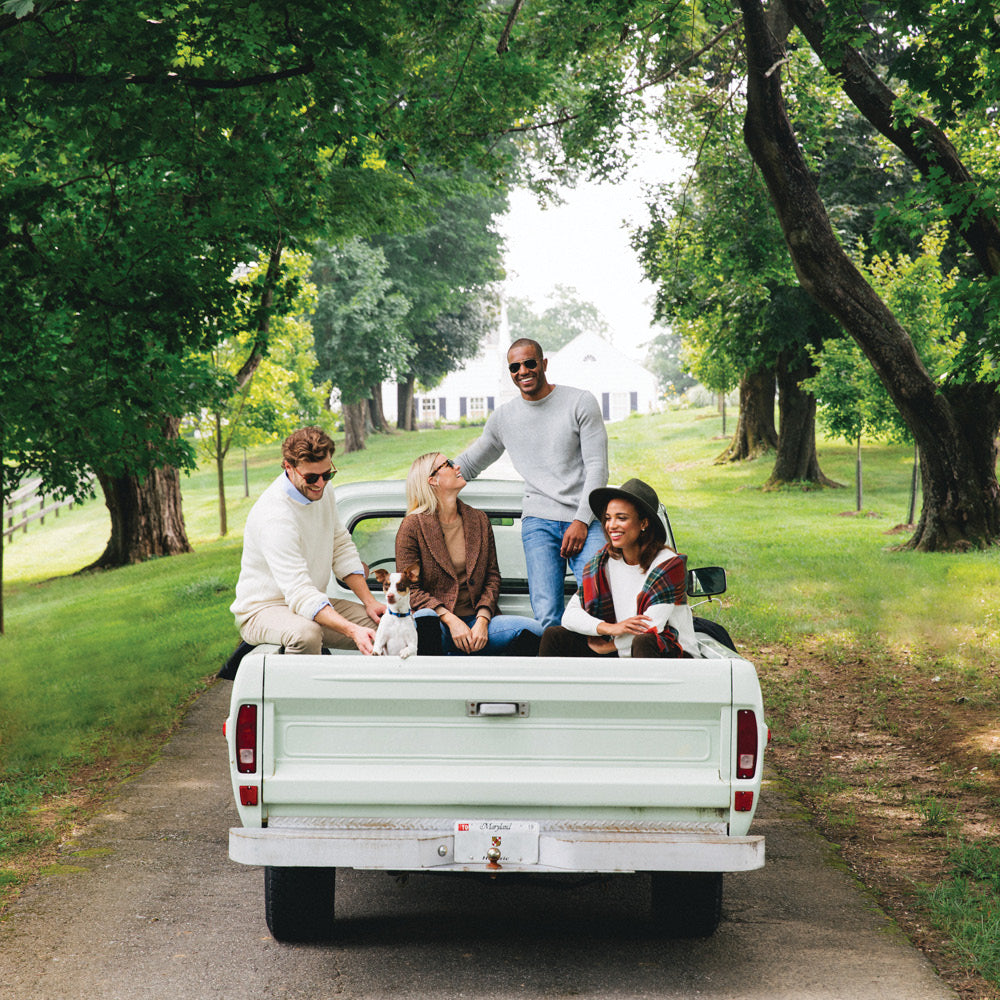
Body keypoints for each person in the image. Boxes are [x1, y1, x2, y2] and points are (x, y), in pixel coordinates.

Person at [454, 338, 609, 629]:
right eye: (515, 366)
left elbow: (598, 469)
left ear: (544, 364)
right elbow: (471, 462)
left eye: (529, 363)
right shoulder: (504, 418)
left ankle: (599, 668)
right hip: (538, 521)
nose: (523, 370)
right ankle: (556, 671)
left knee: (600, 601)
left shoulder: (580, 401)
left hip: (585, 519)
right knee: (547, 614)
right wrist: (432, 475)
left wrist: (581, 521)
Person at [230, 426, 385, 655]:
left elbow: (340, 546)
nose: (321, 484)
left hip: (308, 599)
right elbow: (300, 592)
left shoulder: (322, 489)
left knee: (387, 627)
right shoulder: (275, 517)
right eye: (311, 477)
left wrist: (370, 602)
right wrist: (352, 630)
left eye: (327, 474)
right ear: (288, 467)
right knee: (306, 634)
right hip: (263, 609)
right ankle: (298, 691)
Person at [395, 451, 543, 656]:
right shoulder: (412, 526)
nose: (457, 467)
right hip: (438, 625)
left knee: (535, 631)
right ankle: (432, 681)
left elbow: (492, 578)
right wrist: (450, 620)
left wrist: (482, 621)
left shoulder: (479, 520)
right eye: (448, 464)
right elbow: (409, 588)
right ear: (432, 480)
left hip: (476, 621)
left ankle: (500, 682)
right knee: (426, 618)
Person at [539, 478, 697, 659]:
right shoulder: (602, 562)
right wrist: (609, 628)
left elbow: (652, 626)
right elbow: (570, 616)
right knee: (555, 636)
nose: (611, 525)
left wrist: (608, 647)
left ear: (644, 523)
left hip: (672, 652)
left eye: (621, 518)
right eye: (608, 518)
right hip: (620, 649)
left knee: (644, 640)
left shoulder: (668, 564)